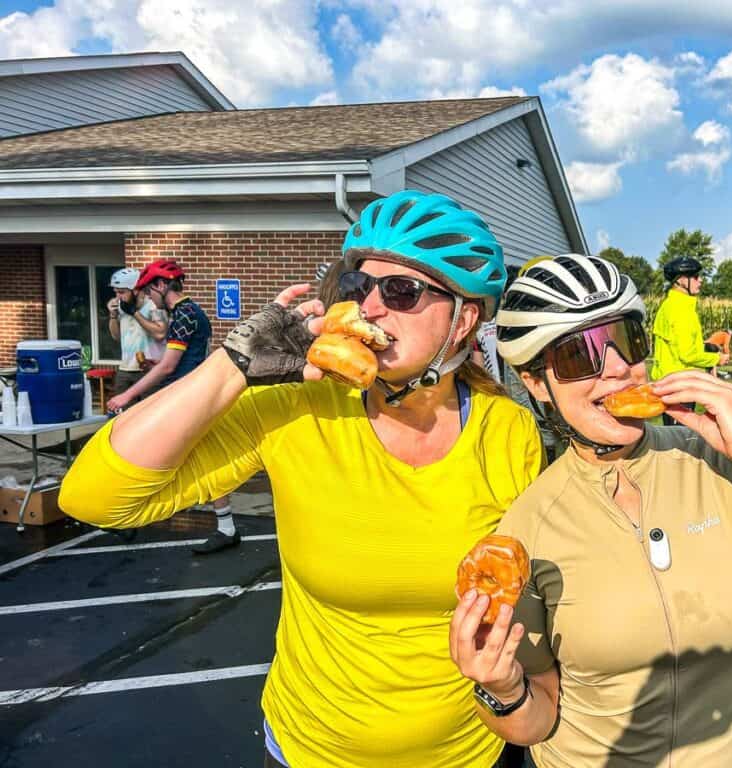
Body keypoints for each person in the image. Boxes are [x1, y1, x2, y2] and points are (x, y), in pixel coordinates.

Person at [59, 190, 543, 768]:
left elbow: (526, 598)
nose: (372, 308)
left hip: (468, 752)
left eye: (402, 291)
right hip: (310, 751)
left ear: (464, 320)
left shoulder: (508, 429)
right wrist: (233, 365)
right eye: (359, 288)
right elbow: (92, 498)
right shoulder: (298, 408)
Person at [450, 254, 732, 768]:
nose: (618, 368)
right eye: (580, 355)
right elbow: (539, 719)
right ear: (535, 383)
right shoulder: (529, 526)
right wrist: (502, 688)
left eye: (628, 341)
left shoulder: (716, 466)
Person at [105, 259, 237, 554]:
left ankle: (126, 517)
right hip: (190, 395)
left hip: (184, 398)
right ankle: (227, 528)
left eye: (149, 291)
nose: (149, 298)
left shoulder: (185, 313)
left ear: (161, 285)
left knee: (146, 454)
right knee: (205, 461)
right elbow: (174, 361)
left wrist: (126, 397)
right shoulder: (188, 312)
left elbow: (168, 366)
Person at [652, 256, 728, 423]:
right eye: (695, 277)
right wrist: (717, 358)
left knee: (675, 433)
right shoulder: (682, 311)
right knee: (681, 435)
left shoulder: (669, 305)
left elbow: (679, 344)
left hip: (669, 380)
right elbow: (687, 354)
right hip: (680, 383)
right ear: (681, 280)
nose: (700, 281)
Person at [106, 267, 167, 397]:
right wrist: (113, 315)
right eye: (116, 292)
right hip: (125, 369)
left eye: (122, 292)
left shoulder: (153, 306)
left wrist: (135, 313)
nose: (118, 297)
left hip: (148, 371)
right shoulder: (122, 307)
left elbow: (161, 334)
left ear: (136, 290)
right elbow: (116, 336)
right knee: (125, 414)